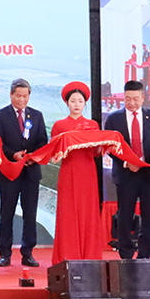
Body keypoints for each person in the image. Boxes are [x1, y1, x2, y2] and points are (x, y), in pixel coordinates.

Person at [104, 80, 150, 260]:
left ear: (142, 97)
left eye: (135, 99)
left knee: (148, 216)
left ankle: (145, 255)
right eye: (127, 99)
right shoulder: (114, 119)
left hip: (149, 175)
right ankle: (126, 254)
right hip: (126, 174)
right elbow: (110, 146)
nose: (131, 103)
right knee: (125, 215)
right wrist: (126, 162)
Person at [0, 79, 48, 267]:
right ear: (11, 95)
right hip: (8, 172)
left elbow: (43, 141)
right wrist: (13, 155)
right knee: (7, 213)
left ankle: (28, 253)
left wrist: (33, 156)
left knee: (30, 214)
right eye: (18, 96)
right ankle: (4, 254)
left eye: (25, 96)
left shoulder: (36, 115)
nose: (22, 100)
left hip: (31, 172)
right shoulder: (0, 115)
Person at [51, 81, 105, 266]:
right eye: (73, 101)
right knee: (68, 212)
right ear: (67, 103)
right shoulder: (60, 125)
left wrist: (101, 144)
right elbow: (54, 154)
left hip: (88, 172)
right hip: (69, 171)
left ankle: (89, 255)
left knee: (88, 212)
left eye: (80, 101)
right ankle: (68, 254)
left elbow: (97, 152)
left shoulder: (92, 124)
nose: (76, 104)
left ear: (85, 103)